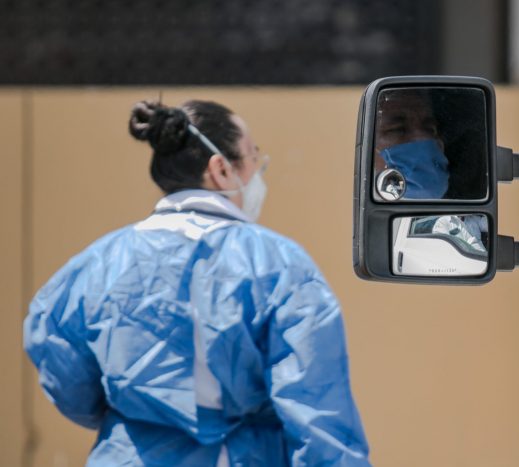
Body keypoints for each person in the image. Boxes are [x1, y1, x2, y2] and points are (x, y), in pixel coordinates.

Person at [23, 100, 370, 466]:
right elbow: (317, 408)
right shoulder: (280, 265)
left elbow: (59, 361)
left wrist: (133, 416)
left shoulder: (96, 264)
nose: (259, 171)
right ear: (221, 169)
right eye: (254, 157)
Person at [373, 89, 449, 199]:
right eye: (397, 129)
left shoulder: (465, 215)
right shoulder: (364, 208)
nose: (424, 138)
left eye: (429, 129)